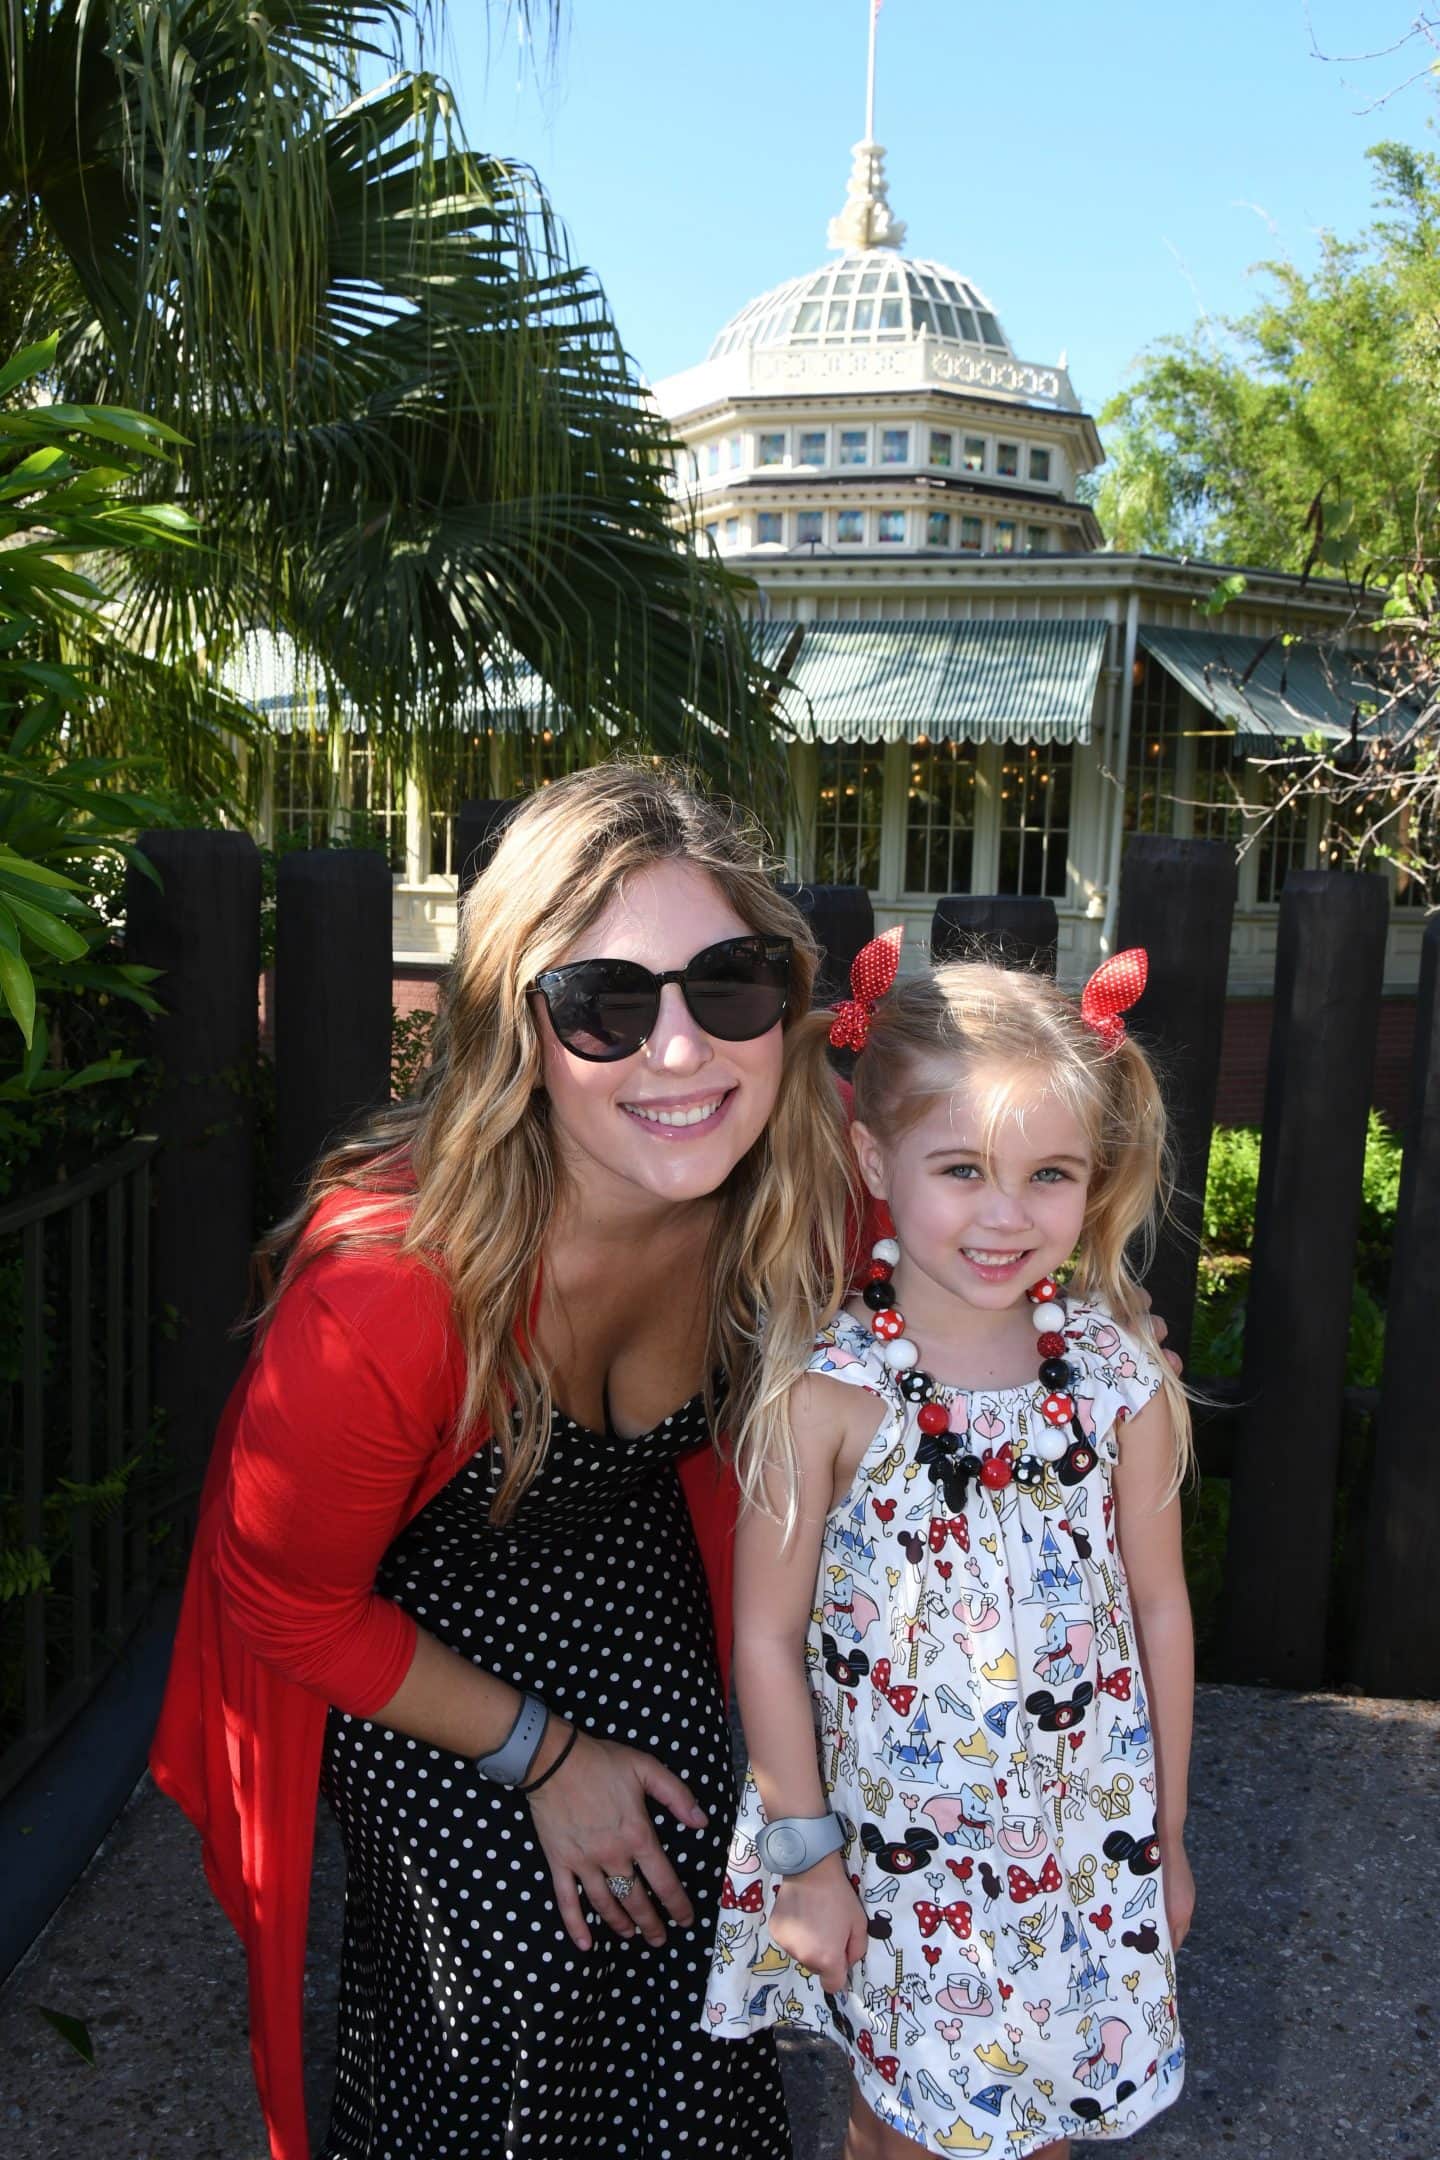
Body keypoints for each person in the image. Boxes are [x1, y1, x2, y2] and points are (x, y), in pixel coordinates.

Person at [150, 763, 862, 2160]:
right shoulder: (391, 1293)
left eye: (728, 984)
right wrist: (543, 1756)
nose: (680, 1053)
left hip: (624, 1563)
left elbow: (989, 1222)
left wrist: (1083, 1315)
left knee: (689, 1937)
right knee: (509, 1974)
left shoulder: (798, 1167)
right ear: (518, 1031)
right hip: (406, 1630)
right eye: (604, 1003)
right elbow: (286, 1601)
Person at [706, 935, 1195, 2160]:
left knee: (1042, 2126)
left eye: (1050, 1175)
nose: (1005, 1213)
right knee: (908, 2129)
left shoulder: (1118, 1381)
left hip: (1082, 1860)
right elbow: (764, 1638)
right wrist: (804, 1856)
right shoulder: (828, 1389)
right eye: (963, 1168)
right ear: (876, 1156)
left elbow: (1163, 1617)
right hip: (894, 1866)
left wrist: (1167, 1844)